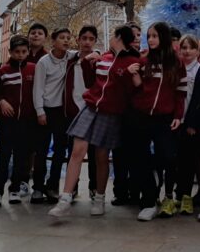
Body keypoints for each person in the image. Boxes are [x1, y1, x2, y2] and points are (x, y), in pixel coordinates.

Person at [49, 25, 140, 219]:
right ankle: (65, 198)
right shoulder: (104, 57)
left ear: (118, 38)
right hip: (90, 108)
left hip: (110, 113)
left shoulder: (133, 61)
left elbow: (130, 90)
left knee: (101, 156)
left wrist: (127, 71)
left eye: (113, 36)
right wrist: (89, 65)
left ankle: (99, 197)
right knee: (77, 151)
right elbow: (91, 83)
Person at [129, 22, 186, 221]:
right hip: (142, 117)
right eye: (149, 36)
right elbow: (138, 89)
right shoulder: (143, 59)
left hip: (165, 118)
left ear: (164, 37)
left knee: (168, 157)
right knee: (141, 159)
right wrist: (134, 74)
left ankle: (168, 196)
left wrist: (178, 115)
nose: (151, 39)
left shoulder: (176, 62)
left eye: (155, 36)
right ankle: (149, 201)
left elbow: (180, 92)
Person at [0, 35, 37, 207]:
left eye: (24, 51)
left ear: (28, 52)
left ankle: (14, 189)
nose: (20, 55)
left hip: (26, 121)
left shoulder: (34, 69)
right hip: (8, 122)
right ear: (10, 52)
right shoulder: (3, 71)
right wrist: (1, 102)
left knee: (21, 158)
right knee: (3, 156)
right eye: (17, 52)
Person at [32, 28, 73, 203]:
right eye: (62, 38)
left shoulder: (70, 58)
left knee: (59, 151)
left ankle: (53, 185)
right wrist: (40, 111)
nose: (65, 41)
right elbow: (38, 88)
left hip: (61, 112)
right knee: (41, 151)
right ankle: (37, 187)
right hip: (45, 110)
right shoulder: (43, 62)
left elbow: (89, 53)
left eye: (68, 38)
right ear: (53, 41)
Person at [174, 34, 200, 216]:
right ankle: (177, 195)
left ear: (198, 51)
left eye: (191, 47)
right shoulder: (176, 69)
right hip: (176, 122)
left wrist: (192, 123)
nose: (187, 51)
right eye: (184, 47)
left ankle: (187, 196)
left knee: (190, 162)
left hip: (192, 125)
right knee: (177, 161)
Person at [66, 25, 101, 200]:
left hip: (93, 112)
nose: (87, 42)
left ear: (95, 41)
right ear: (78, 39)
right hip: (73, 110)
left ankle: (94, 188)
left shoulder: (99, 61)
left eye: (91, 39)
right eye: (84, 38)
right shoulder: (71, 60)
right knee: (72, 152)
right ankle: (72, 188)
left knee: (94, 153)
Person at [112, 22, 142, 206]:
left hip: (136, 115)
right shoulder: (113, 58)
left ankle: (136, 190)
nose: (136, 38)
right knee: (119, 155)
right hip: (118, 113)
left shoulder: (140, 59)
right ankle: (120, 191)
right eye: (133, 35)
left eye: (139, 35)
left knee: (135, 155)